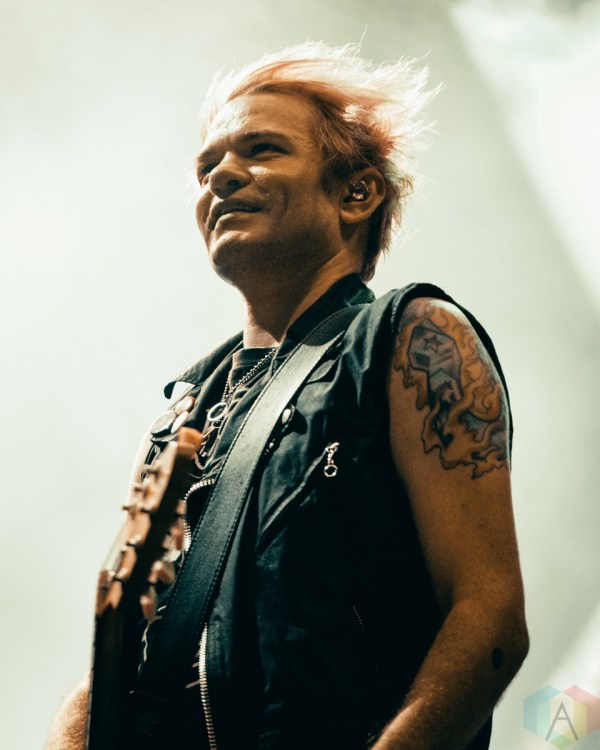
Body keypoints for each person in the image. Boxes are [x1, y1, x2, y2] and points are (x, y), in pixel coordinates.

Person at [47, 42, 528, 750]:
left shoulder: (412, 338)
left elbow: (487, 616)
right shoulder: (183, 411)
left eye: (261, 150)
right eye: (206, 168)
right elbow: (128, 656)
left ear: (356, 194)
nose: (220, 178)